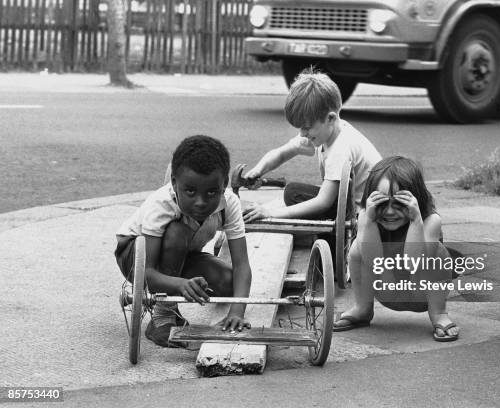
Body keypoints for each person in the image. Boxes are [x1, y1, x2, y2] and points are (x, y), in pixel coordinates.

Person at [115, 135, 252, 348]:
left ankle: (176, 291)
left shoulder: (229, 204)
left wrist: (237, 311)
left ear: (224, 185)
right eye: (190, 191)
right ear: (174, 183)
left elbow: (242, 265)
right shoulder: (162, 205)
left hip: (183, 254)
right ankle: (162, 317)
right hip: (134, 257)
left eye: (211, 192)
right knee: (178, 232)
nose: (200, 202)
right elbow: (148, 273)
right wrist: (179, 285)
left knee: (228, 283)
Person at [333, 156, 460, 342]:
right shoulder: (367, 218)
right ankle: (363, 308)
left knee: (438, 252)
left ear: (417, 200)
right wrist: (368, 221)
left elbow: (413, 264)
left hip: (420, 292)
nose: (390, 211)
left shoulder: (430, 221)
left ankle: (439, 313)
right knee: (357, 248)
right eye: (382, 202)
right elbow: (372, 260)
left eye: (400, 203)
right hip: (386, 288)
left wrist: (416, 221)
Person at [240, 68, 381, 222]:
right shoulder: (326, 131)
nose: (302, 133)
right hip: (349, 203)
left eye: (306, 127)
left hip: (363, 214)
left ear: (330, 118)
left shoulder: (340, 149)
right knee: (293, 192)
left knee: (293, 193)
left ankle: (326, 236)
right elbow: (282, 153)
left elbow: (323, 202)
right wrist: (258, 171)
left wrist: (269, 213)